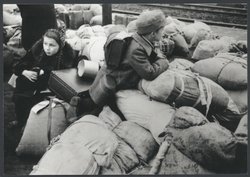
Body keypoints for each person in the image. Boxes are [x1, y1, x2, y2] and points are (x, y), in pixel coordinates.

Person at [66, 10, 169, 122]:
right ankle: (77, 112)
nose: (163, 32)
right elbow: (149, 73)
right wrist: (163, 61)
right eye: (162, 30)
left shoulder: (139, 39)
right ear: (153, 33)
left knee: (95, 105)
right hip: (114, 84)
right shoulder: (137, 49)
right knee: (96, 111)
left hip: (111, 77)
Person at [8, 29, 78, 128]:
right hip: (34, 82)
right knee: (20, 93)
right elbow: (21, 63)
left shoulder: (66, 56)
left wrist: (44, 72)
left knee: (36, 99)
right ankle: (21, 120)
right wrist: (25, 71)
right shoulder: (38, 49)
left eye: (52, 45)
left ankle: (31, 124)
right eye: (45, 43)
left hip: (53, 88)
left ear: (60, 46)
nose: (47, 48)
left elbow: (65, 76)